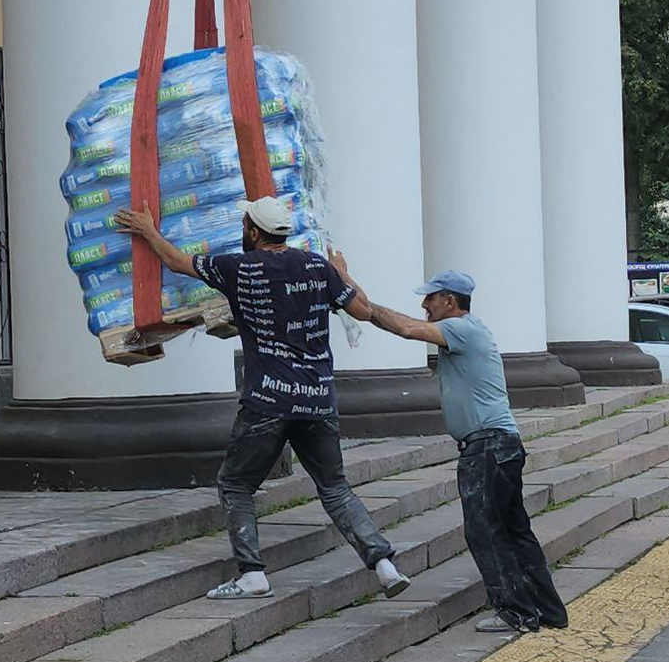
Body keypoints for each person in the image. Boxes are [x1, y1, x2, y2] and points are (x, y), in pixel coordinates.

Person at [116, 196, 410, 600]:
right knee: (335, 488)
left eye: (244, 224)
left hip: (268, 401)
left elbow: (177, 263)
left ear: (253, 232)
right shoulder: (317, 266)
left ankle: (252, 573)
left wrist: (148, 230)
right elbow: (361, 311)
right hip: (318, 398)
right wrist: (344, 274)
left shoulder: (239, 267)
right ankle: (384, 565)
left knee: (235, 484)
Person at [325, 258, 569, 634]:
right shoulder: (467, 329)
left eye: (431, 300)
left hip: (487, 448)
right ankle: (547, 610)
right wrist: (351, 288)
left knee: (485, 531)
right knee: (514, 530)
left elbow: (405, 329)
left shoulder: (461, 329)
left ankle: (516, 613)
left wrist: (345, 284)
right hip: (500, 446)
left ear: (451, 302)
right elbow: (399, 320)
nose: (425, 306)